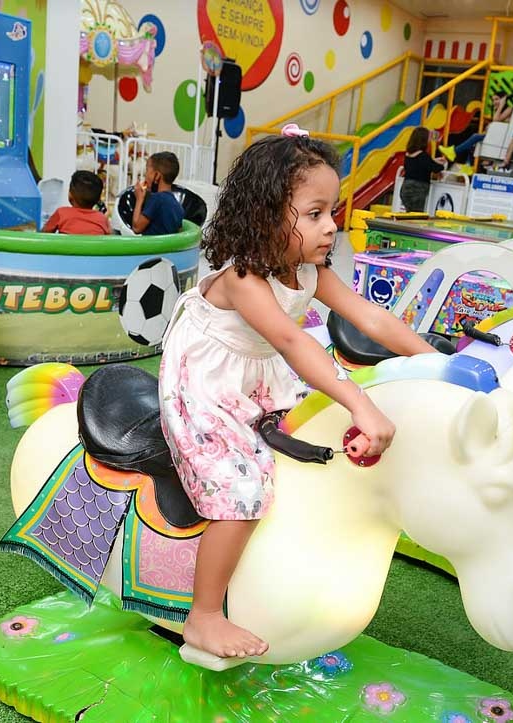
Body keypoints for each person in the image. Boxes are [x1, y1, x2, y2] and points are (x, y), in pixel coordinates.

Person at [158, 124, 437, 660]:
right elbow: (291, 341)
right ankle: (204, 615)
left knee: (304, 455)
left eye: (332, 211)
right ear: (264, 215)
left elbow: (371, 318)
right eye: (314, 214)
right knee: (241, 488)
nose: (331, 226)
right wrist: (360, 403)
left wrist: (437, 363)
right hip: (206, 381)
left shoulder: (310, 270)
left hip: (258, 373)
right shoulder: (243, 277)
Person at [41, 170, 111, 235]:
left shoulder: (61, 213)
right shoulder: (102, 219)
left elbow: (43, 234)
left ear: (70, 195)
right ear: (98, 199)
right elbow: (111, 238)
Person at [132, 151, 184, 234]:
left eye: (147, 171)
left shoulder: (156, 199)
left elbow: (136, 228)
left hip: (151, 243)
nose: (145, 176)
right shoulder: (178, 206)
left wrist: (139, 199)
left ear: (157, 175)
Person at [400, 127, 447, 212]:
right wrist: (442, 163)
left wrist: (433, 160)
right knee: (417, 214)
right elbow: (436, 168)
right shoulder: (423, 155)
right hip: (418, 188)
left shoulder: (408, 154)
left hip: (406, 186)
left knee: (409, 213)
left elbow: (419, 164)